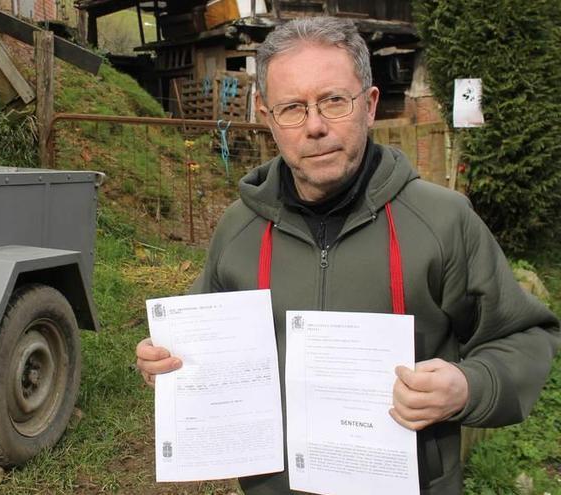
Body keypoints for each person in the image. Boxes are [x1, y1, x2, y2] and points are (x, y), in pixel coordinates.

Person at [135, 16, 560, 495]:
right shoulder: (239, 226)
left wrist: (469, 386)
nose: (314, 126)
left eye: (333, 101)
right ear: (266, 115)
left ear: (370, 105)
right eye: (292, 108)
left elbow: (524, 337)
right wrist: (166, 361)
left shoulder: (443, 221)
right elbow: (199, 337)